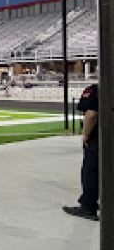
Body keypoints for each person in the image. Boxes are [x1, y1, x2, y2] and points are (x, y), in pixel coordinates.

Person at [63, 84, 100, 221]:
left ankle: (88, 207)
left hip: (99, 139)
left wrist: (85, 135)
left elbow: (91, 114)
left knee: (91, 172)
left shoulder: (96, 89)